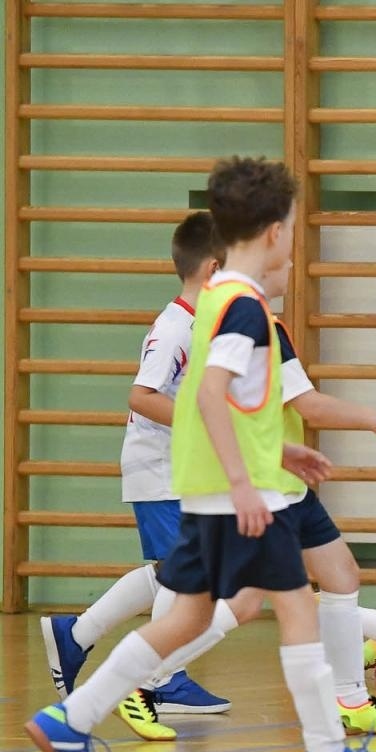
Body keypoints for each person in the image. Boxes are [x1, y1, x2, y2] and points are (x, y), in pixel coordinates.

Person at [23, 156, 376, 752]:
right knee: (295, 612)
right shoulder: (244, 308)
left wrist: (278, 453)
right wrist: (243, 480)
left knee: (185, 621)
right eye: (289, 224)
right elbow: (207, 395)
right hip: (238, 495)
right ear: (272, 231)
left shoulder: (213, 302)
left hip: (211, 488)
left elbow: (233, 405)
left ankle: (73, 717)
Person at [39, 212, 233, 723]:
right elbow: (141, 395)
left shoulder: (201, 327)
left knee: (174, 571)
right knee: (190, 575)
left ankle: (75, 635)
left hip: (180, 469)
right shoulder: (176, 328)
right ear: (214, 270)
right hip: (160, 469)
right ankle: (157, 679)